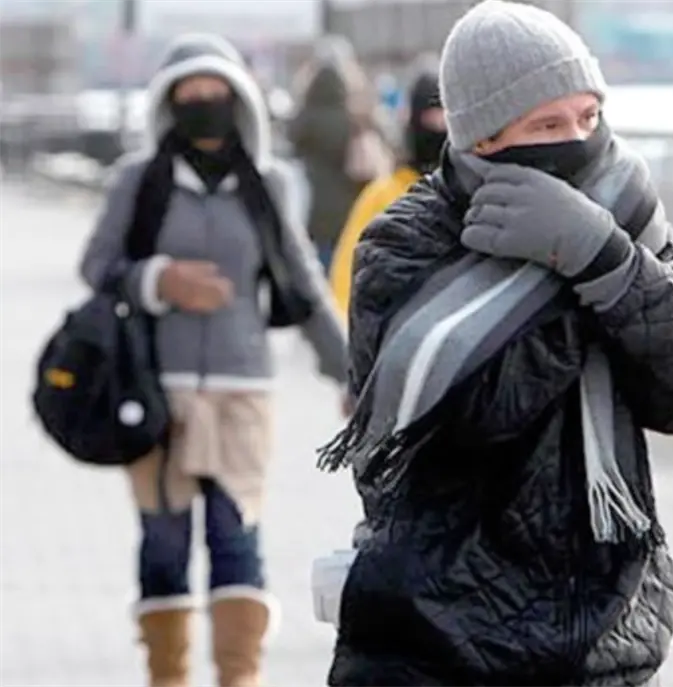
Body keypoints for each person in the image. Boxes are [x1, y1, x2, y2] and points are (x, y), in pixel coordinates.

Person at [317, 2, 673, 686]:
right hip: (437, 637)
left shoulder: (625, 217)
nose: (577, 141)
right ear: (484, 137)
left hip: (606, 634)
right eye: (547, 125)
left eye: (588, 117)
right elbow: (475, 416)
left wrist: (607, 260)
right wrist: (578, 277)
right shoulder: (405, 241)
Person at [78, 34, 348, 687]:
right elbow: (97, 265)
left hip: (241, 393)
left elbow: (304, 285)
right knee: (164, 543)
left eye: (216, 91)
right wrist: (158, 280)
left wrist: (351, 375)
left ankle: (238, 677)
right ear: (168, 103)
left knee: (236, 539)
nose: (204, 102)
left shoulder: (268, 184)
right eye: (190, 93)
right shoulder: (139, 180)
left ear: (240, 99)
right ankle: (167, 676)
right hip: (155, 392)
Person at [329, 57, 446, 316]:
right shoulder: (383, 196)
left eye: (445, 118)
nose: (439, 128)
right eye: (430, 118)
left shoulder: (476, 194)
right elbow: (348, 272)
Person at [289, 38, 393, 273]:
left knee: (321, 270)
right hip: (353, 208)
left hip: (315, 212)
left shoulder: (304, 119)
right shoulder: (356, 117)